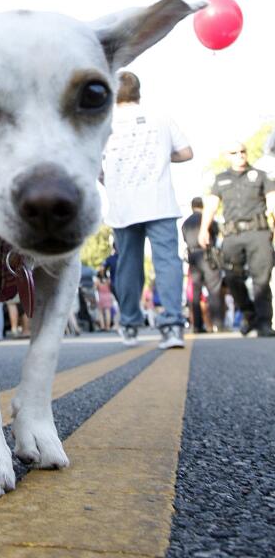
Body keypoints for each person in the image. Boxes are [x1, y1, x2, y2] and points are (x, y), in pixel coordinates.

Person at [102, 71, 193, 350]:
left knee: (128, 265)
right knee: (167, 262)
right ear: (138, 91)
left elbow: (95, 167)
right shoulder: (160, 116)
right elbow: (186, 152)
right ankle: (173, 325)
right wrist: (164, 157)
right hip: (159, 201)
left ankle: (129, 325)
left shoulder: (103, 122)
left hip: (122, 204)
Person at [198, 142, 275, 337]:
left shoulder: (260, 175)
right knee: (232, 277)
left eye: (243, 151)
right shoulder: (221, 179)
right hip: (232, 235)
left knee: (262, 278)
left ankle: (264, 322)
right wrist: (203, 229)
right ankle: (249, 314)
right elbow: (212, 205)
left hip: (258, 232)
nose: (240, 155)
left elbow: (272, 200)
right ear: (228, 156)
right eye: (235, 152)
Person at [182, 197, 224, 333]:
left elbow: (184, 239)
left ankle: (197, 325)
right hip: (207, 254)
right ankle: (218, 323)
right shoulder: (206, 218)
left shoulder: (186, 223)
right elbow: (216, 233)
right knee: (214, 289)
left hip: (193, 256)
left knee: (195, 292)